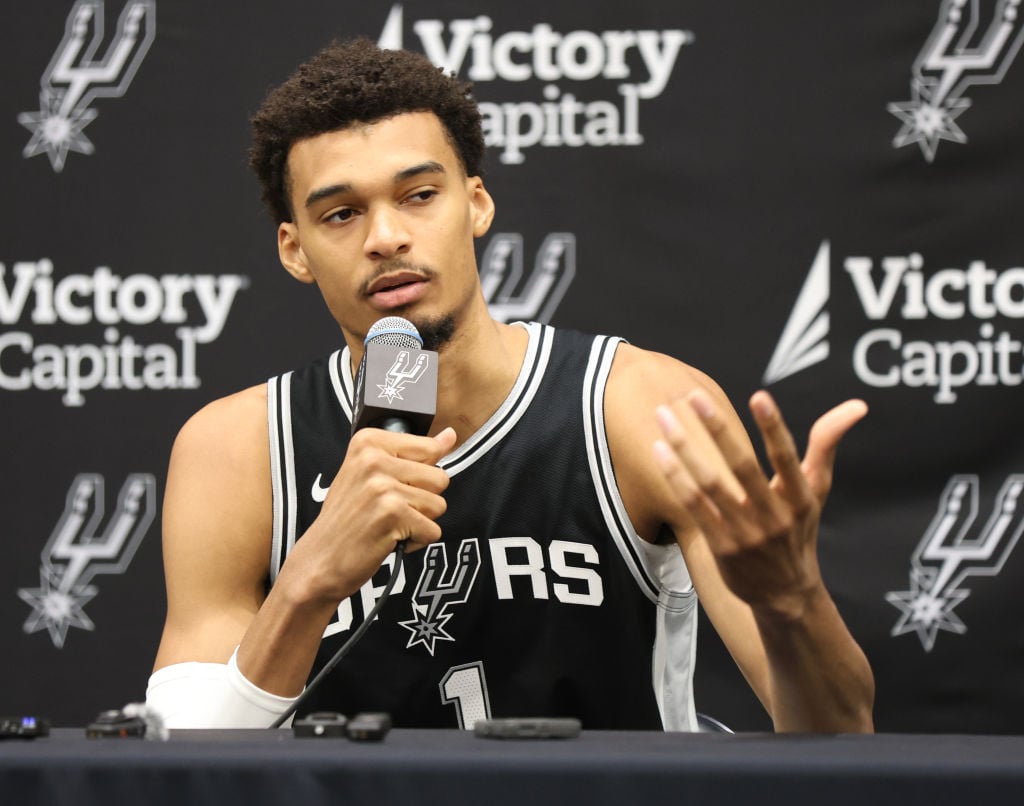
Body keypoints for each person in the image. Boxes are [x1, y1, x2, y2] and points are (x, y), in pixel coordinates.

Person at [146, 38, 874, 732]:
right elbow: (180, 776)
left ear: (477, 205)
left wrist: (792, 603)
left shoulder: (637, 407)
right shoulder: (235, 450)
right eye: (342, 214)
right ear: (295, 250)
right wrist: (306, 583)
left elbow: (839, 734)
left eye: (419, 195)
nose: (386, 237)